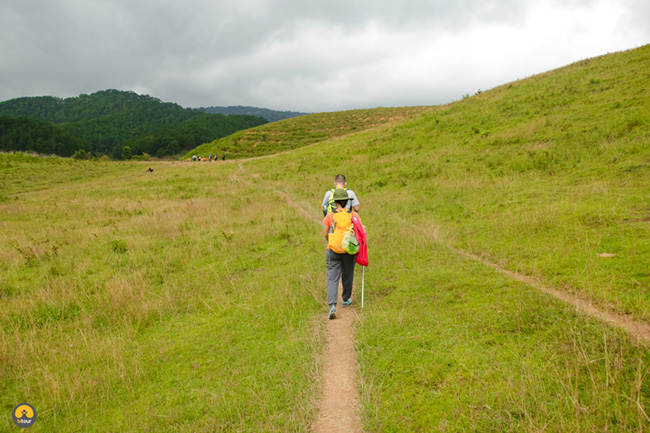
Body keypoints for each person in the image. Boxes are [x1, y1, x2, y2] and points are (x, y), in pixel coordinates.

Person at [322, 188, 362, 320]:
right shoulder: (353, 215)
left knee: (332, 278)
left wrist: (331, 242)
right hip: (349, 250)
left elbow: (325, 234)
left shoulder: (330, 215)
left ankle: (332, 305)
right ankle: (345, 299)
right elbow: (360, 231)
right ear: (347, 202)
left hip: (332, 250)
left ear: (335, 202)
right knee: (348, 273)